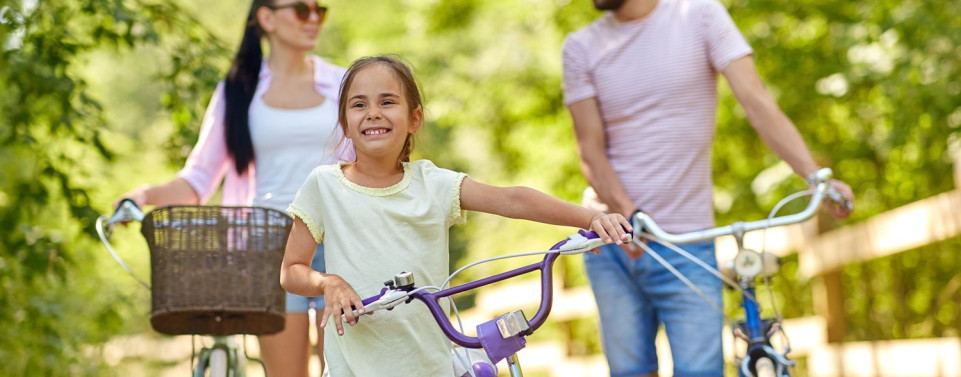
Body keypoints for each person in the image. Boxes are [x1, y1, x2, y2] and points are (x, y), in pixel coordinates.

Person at [278, 55, 633, 376]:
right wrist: (328, 283)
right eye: (359, 104)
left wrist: (589, 218)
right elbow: (291, 270)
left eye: (387, 102)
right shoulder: (324, 185)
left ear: (414, 118)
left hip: (430, 366)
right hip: (353, 369)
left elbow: (512, 200)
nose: (373, 113)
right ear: (344, 122)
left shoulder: (433, 184)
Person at [561, 0, 856, 376]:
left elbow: (757, 103)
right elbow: (589, 149)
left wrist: (815, 178)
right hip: (611, 244)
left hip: (688, 241)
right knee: (631, 371)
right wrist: (628, 213)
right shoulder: (581, 46)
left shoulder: (698, 14)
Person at [117, 1, 350, 375]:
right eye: (301, 10)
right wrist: (143, 195)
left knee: (345, 370)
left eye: (318, 11)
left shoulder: (343, 82)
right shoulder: (238, 91)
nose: (313, 19)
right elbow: (198, 179)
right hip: (270, 246)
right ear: (266, 17)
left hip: (344, 239)